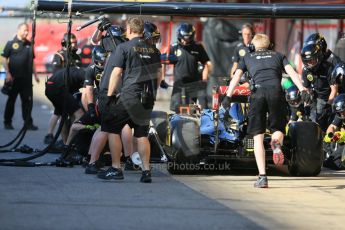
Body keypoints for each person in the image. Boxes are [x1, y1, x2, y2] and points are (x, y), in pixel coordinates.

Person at [222, 33, 310, 188]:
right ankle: (276, 144)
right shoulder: (279, 55)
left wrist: (228, 96)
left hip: (258, 94)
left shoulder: (247, 57)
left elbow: (236, 76)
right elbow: (292, 73)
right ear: (270, 46)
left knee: (258, 137)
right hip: (276, 92)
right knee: (278, 128)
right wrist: (302, 88)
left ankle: (262, 177)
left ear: (252, 46)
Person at [96, 17, 162, 183]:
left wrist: (110, 95)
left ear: (131, 30)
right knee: (141, 134)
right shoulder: (154, 50)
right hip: (147, 98)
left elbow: (116, 73)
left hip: (130, 96)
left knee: (111, 128)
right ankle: (146, 171)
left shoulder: (123, 47)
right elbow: (159, 76)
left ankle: (116, 168)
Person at [162, 22, 211, 113]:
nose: (185, 41)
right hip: (179, 84)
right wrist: (162, 79)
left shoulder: (198, 47)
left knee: (191, 110)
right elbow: (162, 62)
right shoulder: (173, 47)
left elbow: (206, 64)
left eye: (188, 39)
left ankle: (191, 125)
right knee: (177, 109)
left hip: (193, 84)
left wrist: (204, 79)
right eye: (184, 39)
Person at [44, 33, 82, 144]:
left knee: (63, 113)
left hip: (73, 89)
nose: (75, 45)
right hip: (61, 89)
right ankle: (52, 135)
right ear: (66, 43)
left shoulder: (76, 56)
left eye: (76, 42)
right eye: (73, 43)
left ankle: (68, 139)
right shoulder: (59, 55)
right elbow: (56, 74)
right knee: (60, 113)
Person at [1, 23, 40, 130]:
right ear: (18, 30)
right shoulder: (11, 43)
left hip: (26, 80)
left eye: (27, 30)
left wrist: (36, 74)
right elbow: (4, 58)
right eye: (24, 30)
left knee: (27, 102)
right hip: (13, 79)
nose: (26, 32)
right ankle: (7, 122)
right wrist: (7, 72)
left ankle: (28, 123)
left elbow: (32, 60)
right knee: (11, 101)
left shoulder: (29, 44)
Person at [301, 41, 339, 132]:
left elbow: (334, 90)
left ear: (318, 57)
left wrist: (328, 106)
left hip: (331, 97)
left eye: (312, 61)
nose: (310, 64)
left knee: (332, 121)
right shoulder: (306, 70)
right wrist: (307, 106)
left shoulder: (328, 67)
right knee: (315, 121)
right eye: (307, 62)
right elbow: (307, 89)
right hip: (317, 97)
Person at [45, 67, 85, 145]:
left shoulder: (75, 72)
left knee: (62, 115)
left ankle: (65, 142)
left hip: (49, 87)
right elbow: (87, 93)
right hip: (59, 88)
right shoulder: (85, 75)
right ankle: (69, 144)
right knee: (80, 114)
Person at [323, 94, 345, 170]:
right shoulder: (340, 115)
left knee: (339, 163)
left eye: (343, 112)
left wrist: (342, 135)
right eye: (340, 112)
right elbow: (332, 126)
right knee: (330, 163)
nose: (342, 114)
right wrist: (331, 135)